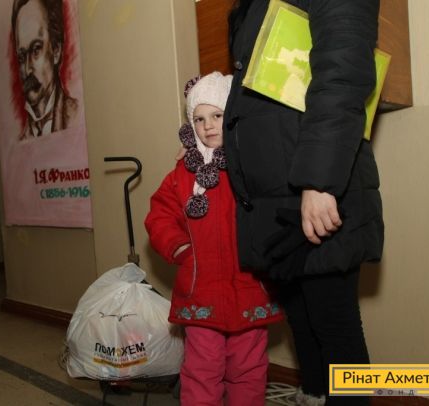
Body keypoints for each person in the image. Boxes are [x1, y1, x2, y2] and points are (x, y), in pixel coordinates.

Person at [223, 1, 384, 405]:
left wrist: (319, 179)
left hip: (315, 182)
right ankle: (313, 395)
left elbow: (343, 66)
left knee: (333, 322)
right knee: (301, 316)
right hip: (276, 192)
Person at [145, 72, 283, 406]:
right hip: (200, 291)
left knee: (248, 369)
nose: (208, 126)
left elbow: (275, 206)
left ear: (232, 115)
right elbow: (159, 215)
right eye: (199, 119)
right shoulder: (182, 174)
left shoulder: (252, 165)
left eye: (217, 115)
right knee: (201, 369)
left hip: (249, 288)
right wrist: (180, 247)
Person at [11, 0, 77, 140]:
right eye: (21, 57)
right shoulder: (21, 141)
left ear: (56, 50)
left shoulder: (76, 117)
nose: (27, 69)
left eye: (36, 50)